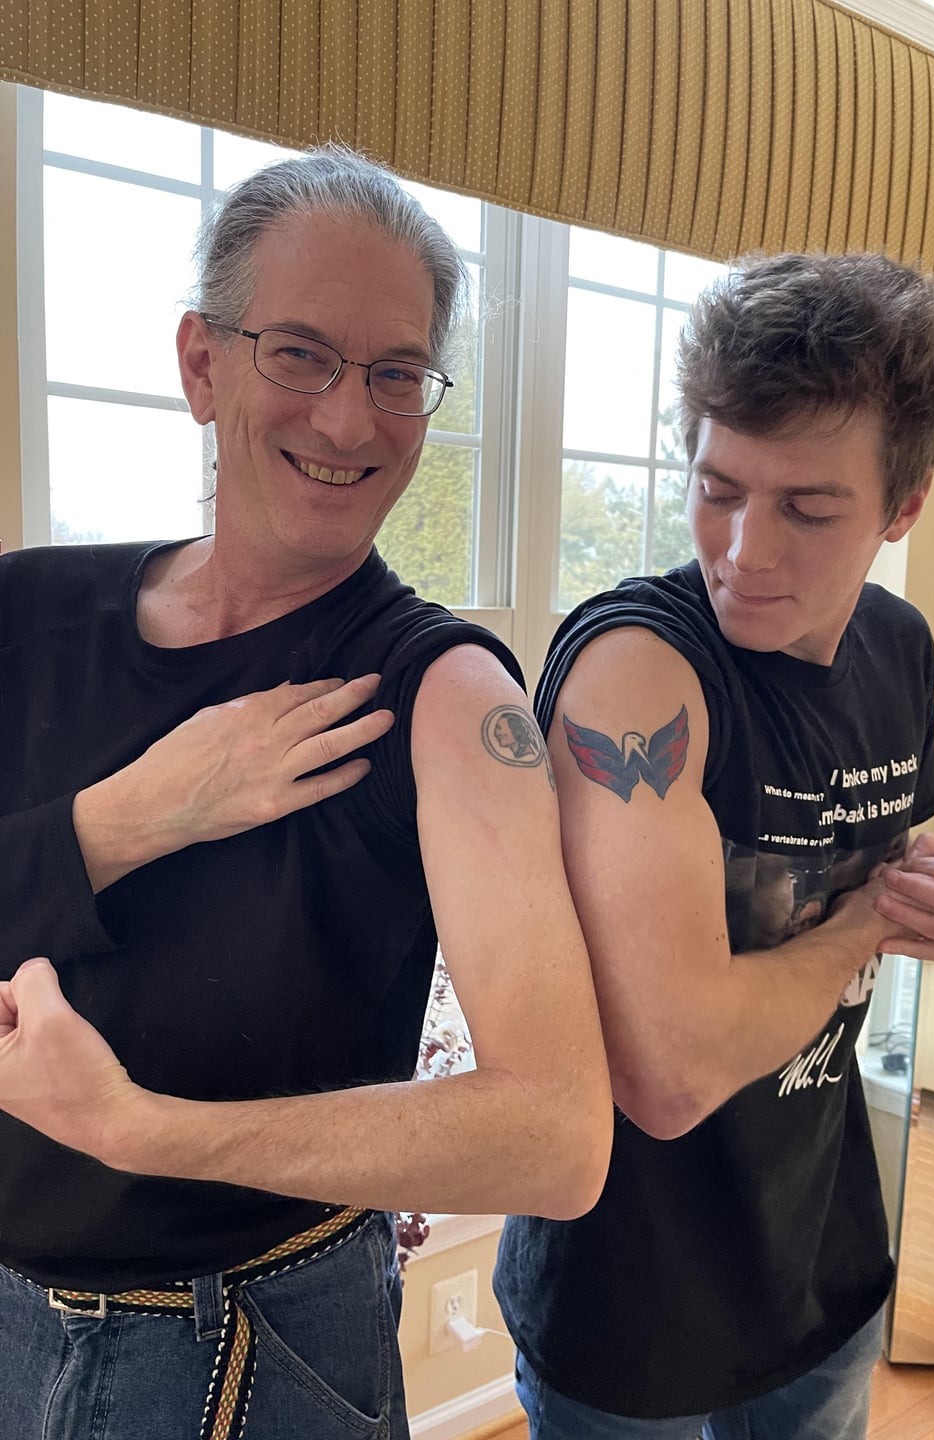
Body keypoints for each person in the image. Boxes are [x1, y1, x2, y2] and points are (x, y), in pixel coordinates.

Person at [0, 148, 611, 1440]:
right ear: (201, 364)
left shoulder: (449, 697)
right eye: (300, 354)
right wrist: (124, 822)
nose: (348, 421)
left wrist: (143, 1130)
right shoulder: (23, 613)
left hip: (258, 1348)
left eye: (397, 374)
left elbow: (557, 1138)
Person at [493, 252, 934, 1440]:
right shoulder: (636, 673)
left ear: (905, 504)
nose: (744, 551)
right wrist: (872, 922)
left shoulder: (899, 646)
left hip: (820, 1264)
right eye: (717, 489)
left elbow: (894, 850)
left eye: (808, 510)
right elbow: (667, 1074)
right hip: (629, 1308)